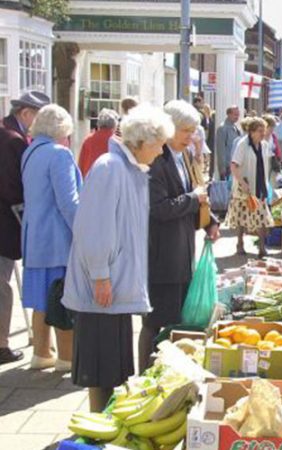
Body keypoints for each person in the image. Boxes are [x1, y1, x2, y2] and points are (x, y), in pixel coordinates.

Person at [63, 105, 172, 411]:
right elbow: (94, 228)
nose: (162, 150)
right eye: (159, 143)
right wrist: (100, 274)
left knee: (113, 364)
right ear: (142, 141)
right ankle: (98, 424)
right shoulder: (110, 167)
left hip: (114, 285)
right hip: (104, 287)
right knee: (101, 365)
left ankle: (105, 421)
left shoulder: (128, 168)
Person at [138, 100, 220, 371]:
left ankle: (167, 370)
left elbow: (197, 193)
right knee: (154, 321)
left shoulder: (181, 155)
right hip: (161, 254)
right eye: (186, 130)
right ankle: (144, 373)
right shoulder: (156, 160)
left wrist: (211, 222)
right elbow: (158, 208)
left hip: (181, 251)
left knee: (173, 317)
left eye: (193, 130)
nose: (191, 136)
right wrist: (193, 199)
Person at [20, 104, 81, 371]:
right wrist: (85, 231)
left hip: (34, 236)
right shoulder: (59, 154)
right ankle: (66, 358)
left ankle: (41, 353)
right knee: (62, 298)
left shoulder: (30, 151)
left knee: (41, 301)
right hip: (57, 238)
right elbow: (68, 202)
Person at [0, 91, 49, 365]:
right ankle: (1, 344)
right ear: (26, 113)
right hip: (4, 223)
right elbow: (13, 186)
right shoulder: (13, 140)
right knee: (1, 285)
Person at [228, 117, 275, 257]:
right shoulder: (243, 144)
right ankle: (240, 243)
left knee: (262, 216)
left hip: (260, 185)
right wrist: (242, 183)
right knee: (241, 217)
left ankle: (262, 247)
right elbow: (234, 165)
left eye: (264, 131)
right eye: (260, 131)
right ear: (252, 132)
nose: (263, 134)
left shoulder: (265, 145)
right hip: (245, 186)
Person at [78, 109, 119, 177]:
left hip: (90, 180)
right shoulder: (117, 142)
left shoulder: (88, 140)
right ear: (115, 125)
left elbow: (81, 165)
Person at [215, 105, 241, 180]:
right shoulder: (222, 128)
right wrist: (222, 170)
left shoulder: (235, 128)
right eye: (235, 114)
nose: (237, 117)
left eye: (238, 115)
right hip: (227, 167)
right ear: (229, 114)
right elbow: (221, 150)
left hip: (235, 165)